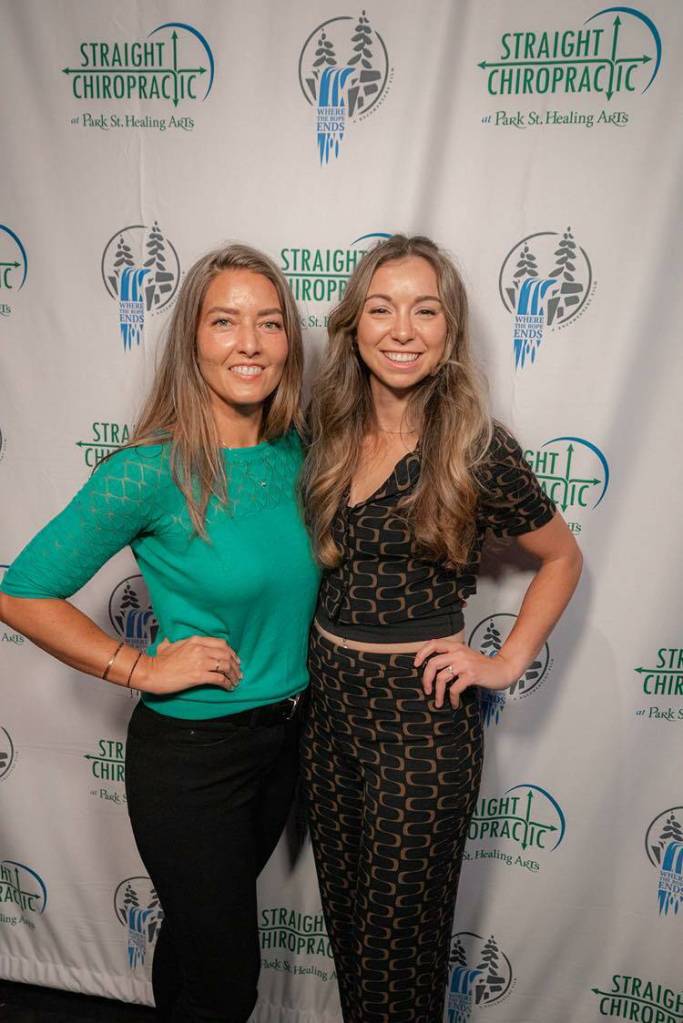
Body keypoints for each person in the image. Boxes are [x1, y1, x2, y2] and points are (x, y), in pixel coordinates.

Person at [0, 244, 320, 1022]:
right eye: (224, 321)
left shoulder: (298, 452)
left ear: (289, 341)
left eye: (268, 322)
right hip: (193, 761)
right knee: (226, 982)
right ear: (192, 340)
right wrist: (136, 666)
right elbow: (20, 592)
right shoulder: (150, 469)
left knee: (196, 949)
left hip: (282, 743)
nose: (249, 342)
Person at [300, 234, 582, 1023]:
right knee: (352, 940)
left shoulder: (478, 450)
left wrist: (504, 660)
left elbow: (560, 557)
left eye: (424, 310)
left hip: (419, 729)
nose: (401, 329)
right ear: (353, 324)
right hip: (328, 720)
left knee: (398, 958)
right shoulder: (326, 431)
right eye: (381, 308)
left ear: (449, 330)